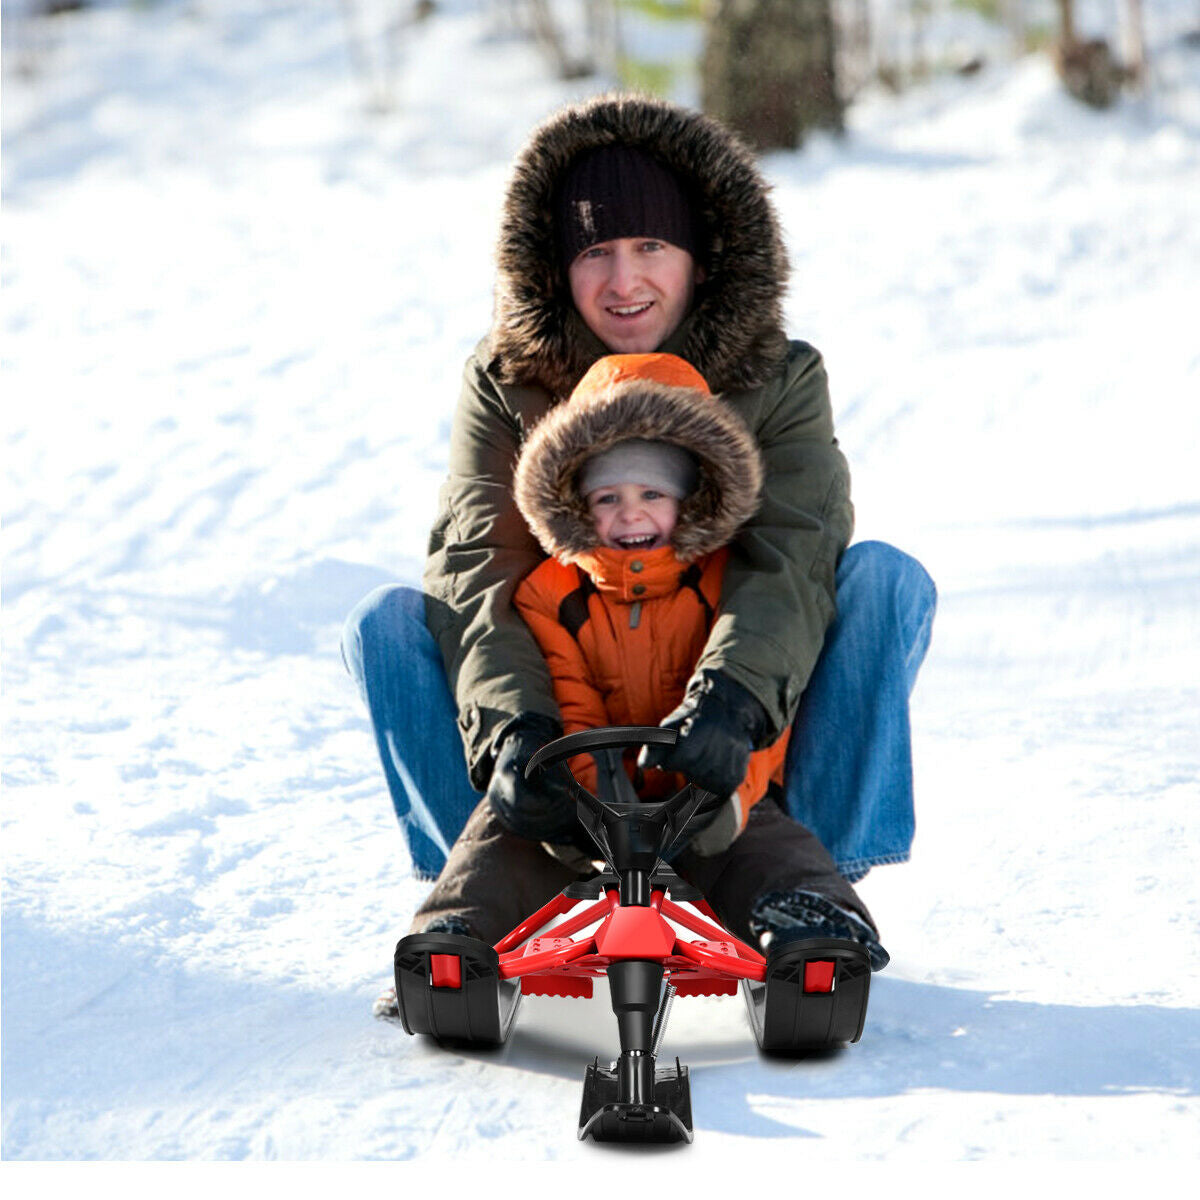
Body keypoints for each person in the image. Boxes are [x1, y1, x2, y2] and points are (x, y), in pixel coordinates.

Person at [341, 92, 935, 908]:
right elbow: (480, 564)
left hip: (729, 753)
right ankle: (493, 880)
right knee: (389, 624)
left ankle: (807, 878)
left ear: (700, 255)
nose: (624, 282)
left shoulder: (779, 376)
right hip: (569, 727)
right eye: (595, 253)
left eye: (651, 244)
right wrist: (517, 732)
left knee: (882, 582)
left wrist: (733, 700)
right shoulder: (510, 381)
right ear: (557, 267)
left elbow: (791, 558)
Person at [403, 350, 887, 971]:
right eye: (607, 497)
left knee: (766, 844)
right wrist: (567, 796)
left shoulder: (720, 585)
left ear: (691, 500)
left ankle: (813, 927)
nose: (630, 513)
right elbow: (567, 699)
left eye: (652, 493)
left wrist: (725, 789)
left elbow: (763, 713)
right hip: (588, 804)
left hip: (707, 792)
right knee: (500, 837)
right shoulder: (551, 594)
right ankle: (456, 942)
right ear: (576, 503)